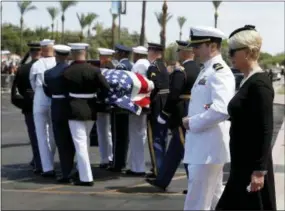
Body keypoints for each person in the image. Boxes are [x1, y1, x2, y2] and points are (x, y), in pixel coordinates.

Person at [215, 25, 277, 210]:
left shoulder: (260, 84)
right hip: (241, 164)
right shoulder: (247, 80)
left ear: (248, 52)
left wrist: (259, 171)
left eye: (233, 51)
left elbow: (266, 128)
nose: (230, 55)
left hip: (251, 166)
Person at [181, 26, 235, 210]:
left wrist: (191, 122)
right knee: (213, 200)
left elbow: (222, 109)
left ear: (212, 46)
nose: (193, 51)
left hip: (207, 150)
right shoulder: (207, 69)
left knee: (197, 203)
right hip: (204, 148)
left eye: (197, 46)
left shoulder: (219, 72)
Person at [146, 40, 200, 192]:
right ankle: (162, 180)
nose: (178, 54)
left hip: (181, 113)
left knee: (186, 150)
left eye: (179, 51)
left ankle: (194, 185)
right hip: (193, 110)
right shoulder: (199, 69)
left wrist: (164, 113)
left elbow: (174, 94)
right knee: (174, 151)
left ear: (184, 52)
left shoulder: (181, 71)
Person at [63, 43, 110, 186]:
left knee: (80, 143)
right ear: (85, 52)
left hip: (74, 108)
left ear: (72, 53)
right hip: (91, 108)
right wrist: (98, 98)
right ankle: (80, 170)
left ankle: (86, 177)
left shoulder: (67, 71)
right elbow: (106, 88)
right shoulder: (94, 70)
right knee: (84, 141)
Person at [43, 44, 75, 184]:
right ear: (67, 56)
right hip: (71, 106)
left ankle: (65, 171)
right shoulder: (71, 71)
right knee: (74, 140)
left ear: (56, 56)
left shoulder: (48, 73)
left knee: (61, 142)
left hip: (56, 106)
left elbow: (47, 92)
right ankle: (74, 169)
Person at [11, 42, 42, 174]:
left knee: (34, 135)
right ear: (41, 52)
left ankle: (38, 161)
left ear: (30, 53)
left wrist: (25, 101)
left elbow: (16, 90)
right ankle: (43, 161)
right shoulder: (47, 67)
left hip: (29, 104)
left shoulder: (23, 69)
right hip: (46, 104)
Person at [29, 39, 57, 177]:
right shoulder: (57, 62)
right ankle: (50, 161)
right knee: (54, 133)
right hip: (55, 96)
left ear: (42, 49)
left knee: (41, 134)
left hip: (40, 96)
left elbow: (32, 83)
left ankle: (47, 167)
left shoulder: (37, 64)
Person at [145, 42, 169, 179]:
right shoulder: (163, 65)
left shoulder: (154, 67)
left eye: (149, 51)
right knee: (162, 136)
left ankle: (158, 169)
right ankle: (161, 168)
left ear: (153, 52)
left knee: (155, 137)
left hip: (157, 103)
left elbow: (154, 86)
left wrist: (147, 101)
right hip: (165, 102)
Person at [125, 46, 150, 176]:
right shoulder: (147, 63)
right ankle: (135, 165)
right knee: (140, 134)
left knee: (136, 135)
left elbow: (134, 84)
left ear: (136, 54)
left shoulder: (138, 65)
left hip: (138, 102)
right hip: (145, 103)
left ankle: (138, 167)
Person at [107, 44, 133, 172]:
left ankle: (117, 163)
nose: (115, 54)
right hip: (127, 103)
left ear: (122, 53)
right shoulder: (131, 65)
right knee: (123, 135)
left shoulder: (121, 66)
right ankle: (121, 162)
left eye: (116, 52)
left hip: (119, 104)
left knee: (118, 135)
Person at [96, 48, 115, 169]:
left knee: (105, 132)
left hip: (103, 104)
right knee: (105, 132)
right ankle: (107, 157)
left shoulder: (102, 71)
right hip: (106, 105)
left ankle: (107, 158)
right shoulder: (113, 70)